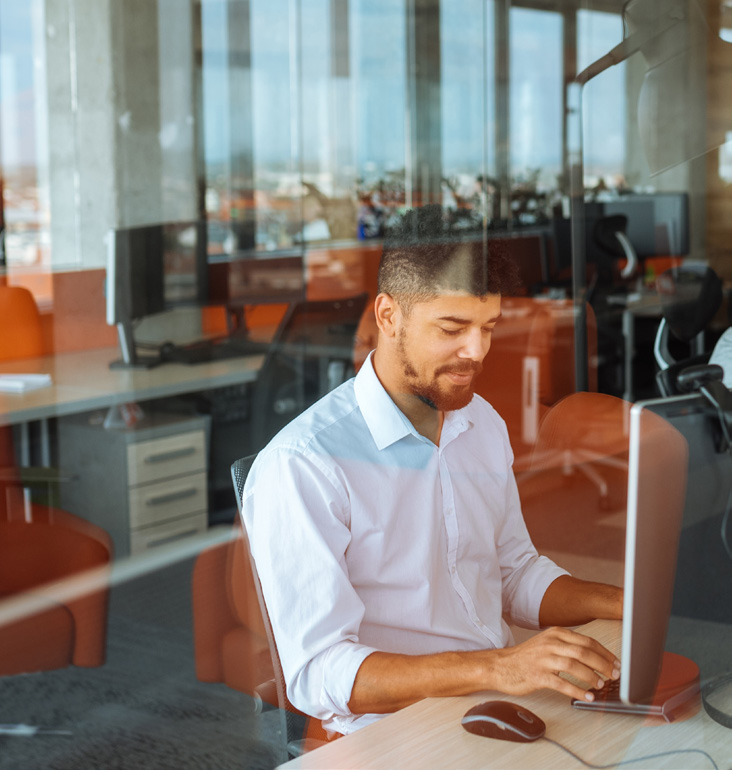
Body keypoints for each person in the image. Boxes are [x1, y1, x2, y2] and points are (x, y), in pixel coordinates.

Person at [242, 205, 623, 737]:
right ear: (388, 315)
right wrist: (499, 667)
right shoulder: (304, 463)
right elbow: (318, 672)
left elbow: (512, 573)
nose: (478, 351)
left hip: (496, 701)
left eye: (489, 327)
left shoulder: (480, 422)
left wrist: (625, 601)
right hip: (391, 732)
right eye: (453, 328)